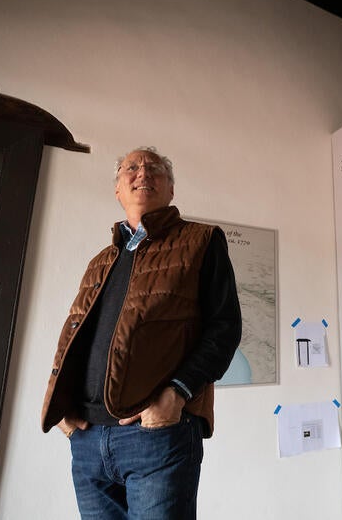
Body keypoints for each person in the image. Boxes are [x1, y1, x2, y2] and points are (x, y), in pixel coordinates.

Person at [41, 146, 242, 519]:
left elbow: (225, 328)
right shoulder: (101, 261)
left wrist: (177, 393)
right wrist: (60, 406)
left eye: (155, 169)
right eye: (131, 168)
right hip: (86, 439)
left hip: (156, 435)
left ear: (170, 189)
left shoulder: (202, 240)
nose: (142, 173)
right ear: (117, 190)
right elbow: (73, 333)